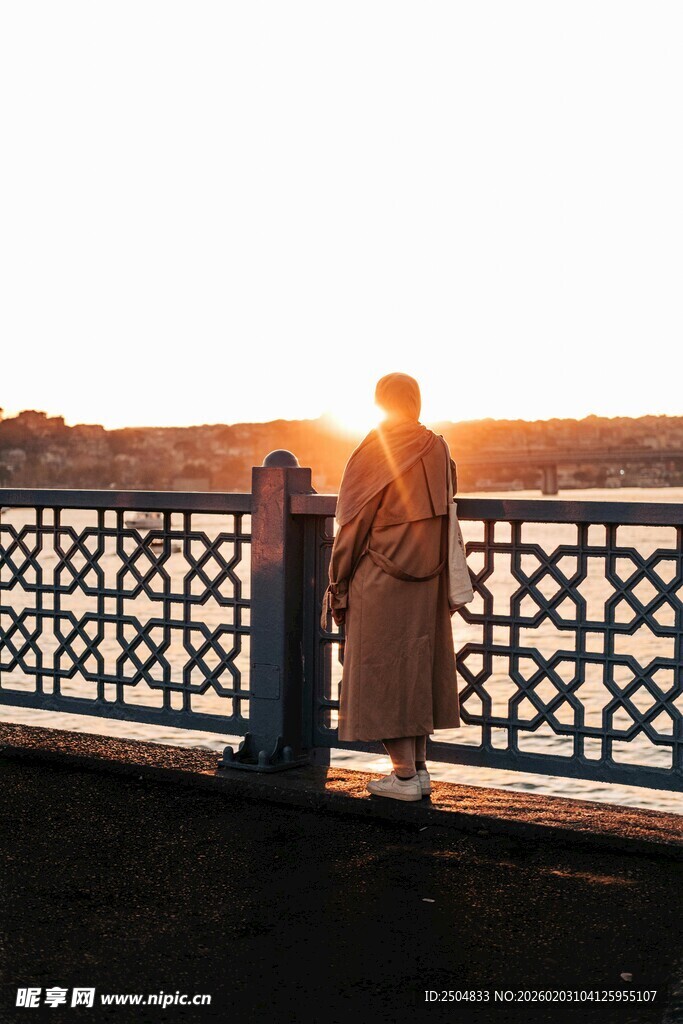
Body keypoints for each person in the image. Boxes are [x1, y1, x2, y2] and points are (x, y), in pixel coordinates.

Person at [320, 372, 460, 802]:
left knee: (380, 676)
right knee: (415, 675)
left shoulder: (375, 449)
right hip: (428, 580)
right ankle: (418, 771)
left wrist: (337, 584)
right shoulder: (437, 447)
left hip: (379, 581)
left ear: (381, 403)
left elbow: (352, 526)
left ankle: (403, 777)